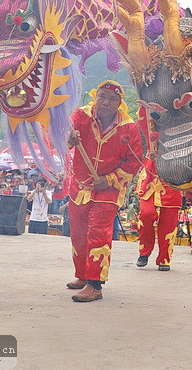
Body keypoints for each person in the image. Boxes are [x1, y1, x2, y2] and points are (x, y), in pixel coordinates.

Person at [65, 81, 142, 302]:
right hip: (80, 185)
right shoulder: (80, 116)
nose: (106, 102)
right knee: (78, 233)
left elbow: (132, 163)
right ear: (95, 97)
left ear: (120, 103)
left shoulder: (129, 128)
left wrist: (108, 179)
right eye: (102, 96)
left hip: (109, 190)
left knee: (98, 232)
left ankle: (95, 284)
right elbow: (65, 136)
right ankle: (82, 275)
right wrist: (68, 139)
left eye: (112, 98)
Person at [134, 106, 183, 270]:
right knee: (146, 214)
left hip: (173, 170)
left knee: (169, 220)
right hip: (151, 172)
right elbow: (142, 113)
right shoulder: (149, 114)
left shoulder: (181, 116)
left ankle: (164, 258)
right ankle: (144, 250)